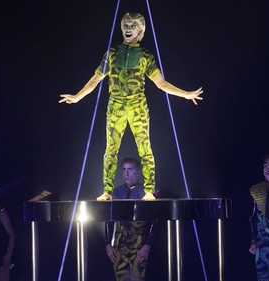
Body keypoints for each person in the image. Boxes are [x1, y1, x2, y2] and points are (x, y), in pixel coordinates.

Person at [59, 12, 203, 201]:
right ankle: (107, 191)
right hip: (116, 105)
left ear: (140, 30)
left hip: (137, 106)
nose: (128, 29)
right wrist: (78, 97)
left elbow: (161, 83)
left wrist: (186, 94)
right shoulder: (112, 53)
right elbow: (96, 79)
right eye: (125, 25)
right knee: (111, 149)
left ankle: (149, 190)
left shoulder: (145, 56)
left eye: (132, 26)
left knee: (145, 147)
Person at [104, 157, 158, 281]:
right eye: (124, 170)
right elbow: (109, 219)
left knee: (137, 277)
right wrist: (108, 243)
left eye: (130, 169)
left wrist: (147, 245)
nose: (126, 173)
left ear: (138, 172)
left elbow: (154, 221)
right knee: (121, 277)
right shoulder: (116, 192)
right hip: (120, 245)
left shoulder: (146, 193)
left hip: (139, 245)